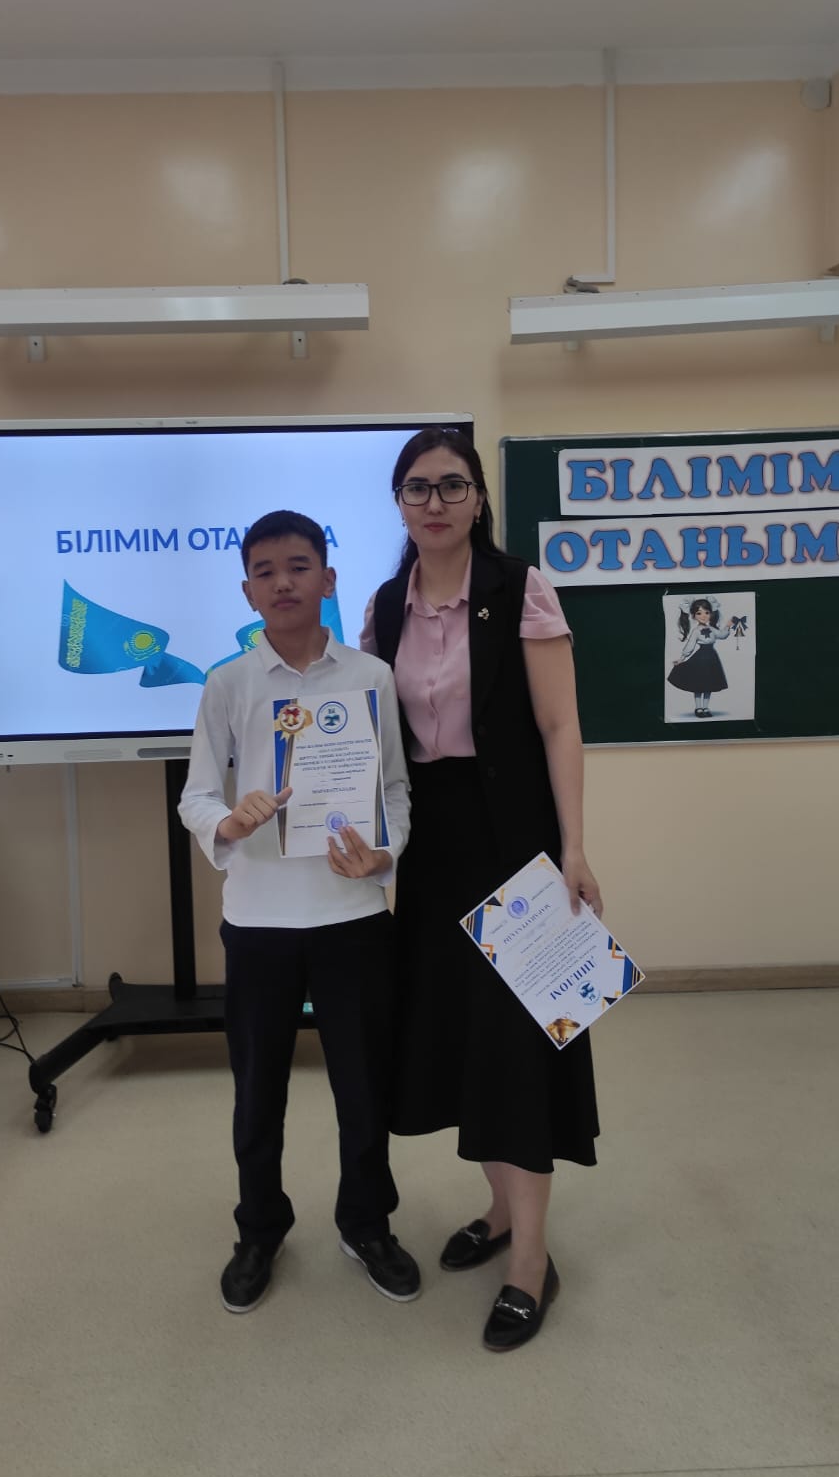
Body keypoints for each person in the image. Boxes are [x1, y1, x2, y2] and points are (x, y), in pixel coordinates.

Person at [361, 429, 602, 1352]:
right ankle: (500, 1213)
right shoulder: (384, 607)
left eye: (451, 485)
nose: (435, 502)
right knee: (462, 1040)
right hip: (430, 851)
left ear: (477, 498)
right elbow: (372, 741)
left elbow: (559, 724)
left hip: (514, 845)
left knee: (518, 1049)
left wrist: (572, 848)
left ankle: (531, 1261)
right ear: (398, 501)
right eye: (417, 487)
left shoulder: (519, 587)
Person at [179, 509, 420, 1315]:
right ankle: (259, 1230)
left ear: (328, 578)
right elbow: (195, 795)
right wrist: (228, 821)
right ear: (247, 591)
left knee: (363, 1085)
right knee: (258, 1092)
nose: (282, 582)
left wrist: (385, 852)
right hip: (259, 920)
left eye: (297, 566)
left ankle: (366, 1222)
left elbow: (394, 789)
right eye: (264, 571)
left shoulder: (370, 677)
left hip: (351, 913)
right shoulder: (227, 684)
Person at [667, 596, 732, 718]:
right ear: (693, 616)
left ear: (711, 614)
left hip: (712, 659)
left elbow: (722, 635)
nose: (703, 616)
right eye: (699, 613)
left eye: (706, 612)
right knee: (698, 684)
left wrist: (728, 626)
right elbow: (690, 646)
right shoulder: (696, 631)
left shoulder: (712, 629)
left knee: (709, 684)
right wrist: (682, 658)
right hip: (699, 659)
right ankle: (698, 708)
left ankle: (706, 708)